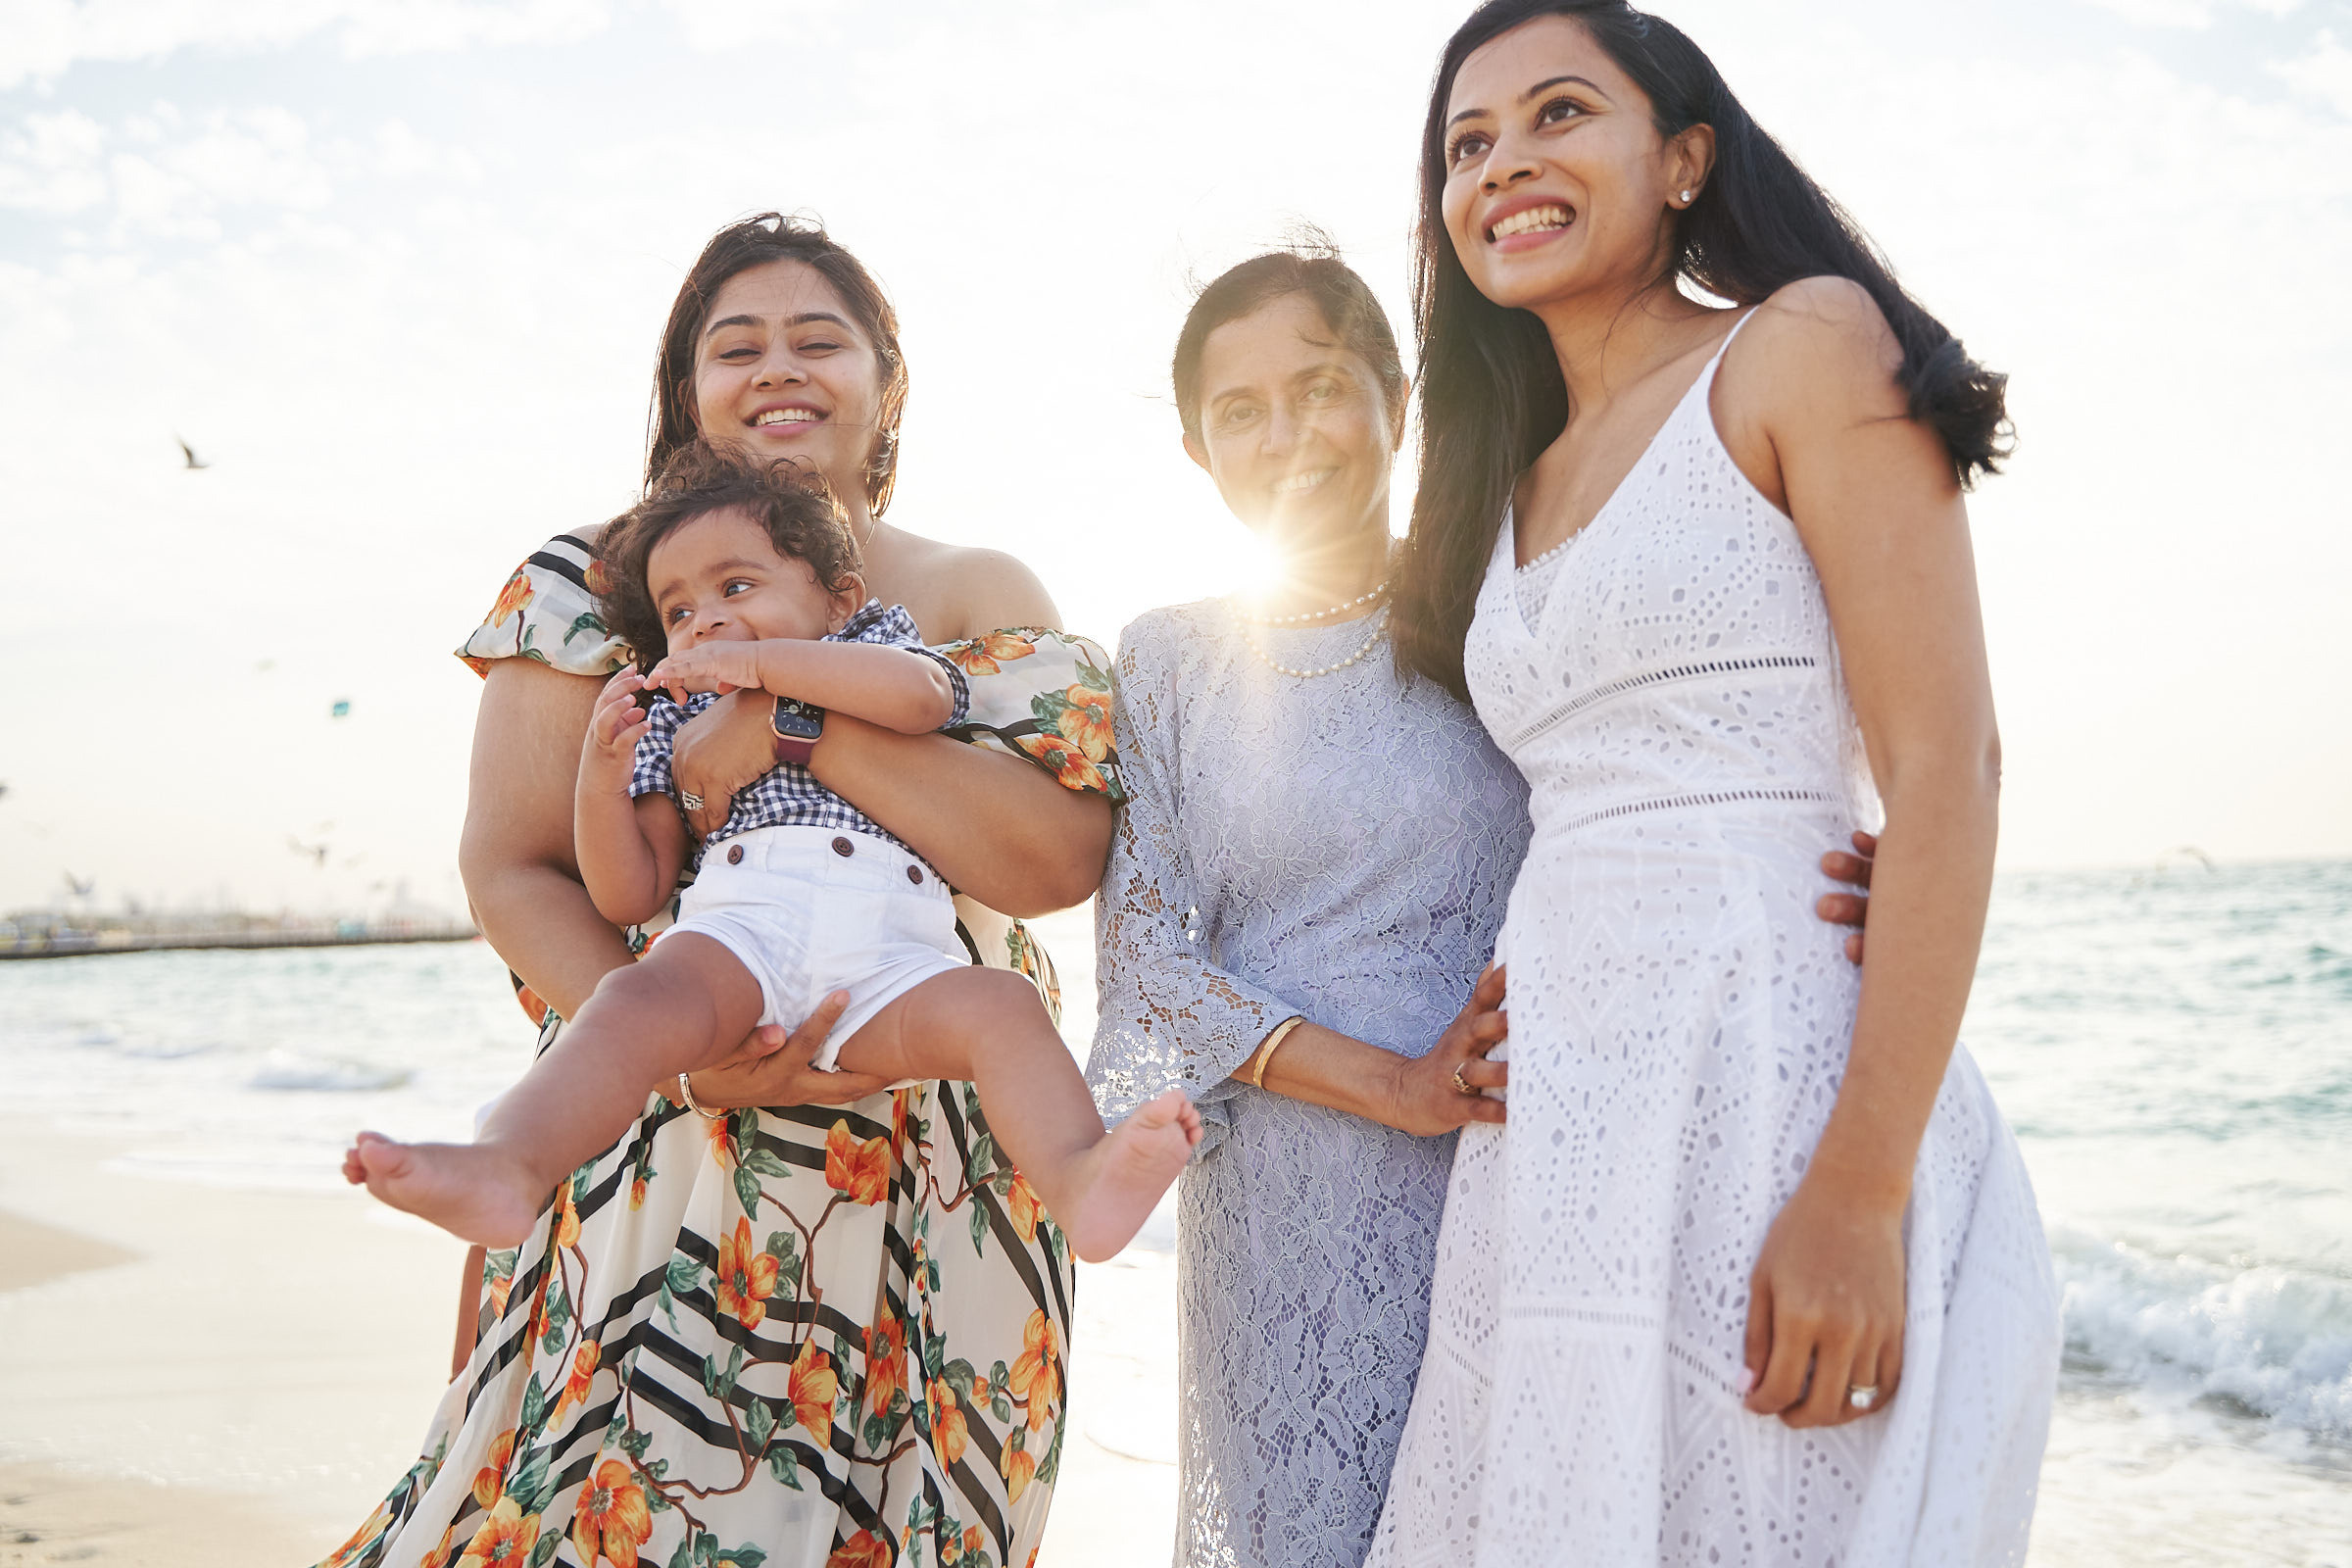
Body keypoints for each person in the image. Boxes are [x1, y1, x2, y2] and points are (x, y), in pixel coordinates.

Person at [1365, 5, 2061, 1565]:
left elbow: (1951, 763)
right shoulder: (1500, 483)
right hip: (1561, 1130)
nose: (1505, 166)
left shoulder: (1798, 347)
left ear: (1685, 158)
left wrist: (1862, 1191)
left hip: (1770, 1078)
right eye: (1467, 145)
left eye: (1558, 116)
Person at [319, 215, 1118, 1568]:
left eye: (822, 339)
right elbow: (510, 866)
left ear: (887, 386)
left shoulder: (977, 589)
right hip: (673, 1116)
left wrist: (790, 727)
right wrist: (693, 1070)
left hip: (946, 1137)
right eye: (733, 345)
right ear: (686, 393)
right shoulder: (594, 581)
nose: (778, 370)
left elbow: (1053, 858)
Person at [1085, 243, 1877, 1568]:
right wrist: (1392, 1085)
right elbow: (1153, 966)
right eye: (1240, 409)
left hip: (1536, 1152)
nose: (1288, 435)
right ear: (1194, 450)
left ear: (1401, 403)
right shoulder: (1168, 658)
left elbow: (1685, 755)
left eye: (1324, 386)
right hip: (1291, 1211)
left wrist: (1855, 850)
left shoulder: (1506, 599)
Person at [347, 451, 1199, 1260]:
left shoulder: (870, 644)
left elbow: (920, 698)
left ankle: (1079, 1179)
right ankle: (510, 1163)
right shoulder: (677, 715)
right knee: (627, 1006)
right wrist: (600, 778)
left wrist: (766, 673)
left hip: (893, 964)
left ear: (838, 600)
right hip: (739, 944)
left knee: (1004, 1009)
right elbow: (625, 892)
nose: (707, 618)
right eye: (679, 611)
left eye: (737, 586)